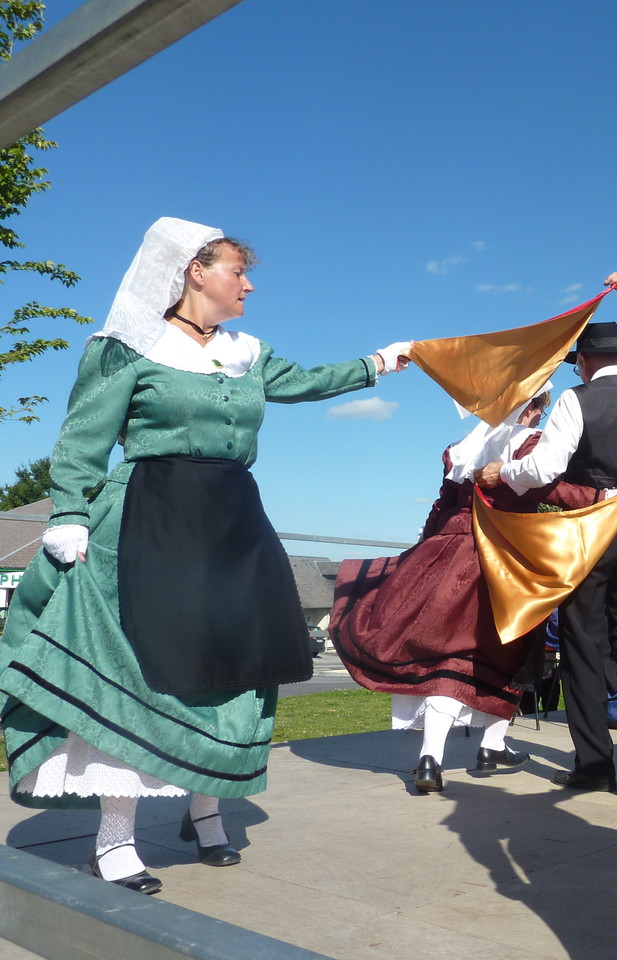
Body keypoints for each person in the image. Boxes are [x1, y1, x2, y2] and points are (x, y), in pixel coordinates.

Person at [0, 217, 410, 895]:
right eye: (236, 271)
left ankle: (207, 809)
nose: (247, 285)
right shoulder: (128, 346)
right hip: (149, 516)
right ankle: (114, 839)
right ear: (195, 270)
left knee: (237, 664)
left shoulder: (249, 350)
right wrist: (69, 511)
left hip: (232, 520)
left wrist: (379, 362)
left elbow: (307, 381)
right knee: (137, 673)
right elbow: (82, 438)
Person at [476, 272, 617, 792]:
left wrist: (504, 471)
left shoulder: (575, 400)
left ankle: (594, 764)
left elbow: (543, 470)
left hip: (588, 530)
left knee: (583, 645)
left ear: (585, 361)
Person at [329, 391, 592, 793]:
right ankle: (487, 745)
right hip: (499, 556)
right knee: (511, 649)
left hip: (447, 551)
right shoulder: (529, 445)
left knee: (448, 653)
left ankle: (440, 756)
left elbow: (442, 504)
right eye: (541, 407)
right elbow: (552, 490)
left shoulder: (461, 448)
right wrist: (606, 499)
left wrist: (422, 556)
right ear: (534, 407)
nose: (542, 415)